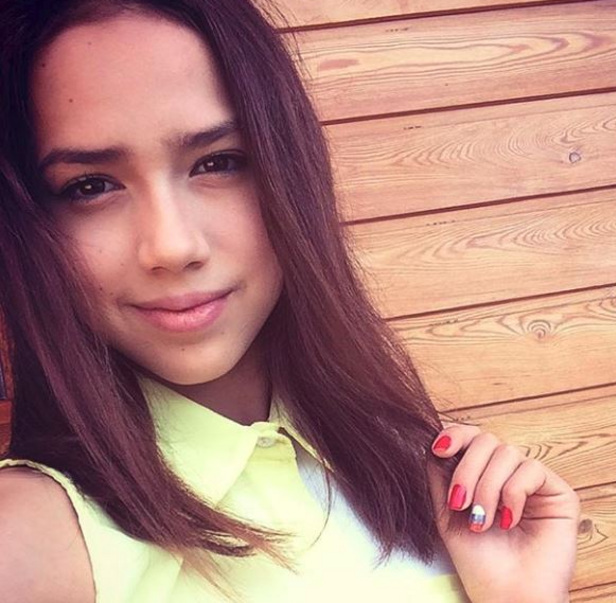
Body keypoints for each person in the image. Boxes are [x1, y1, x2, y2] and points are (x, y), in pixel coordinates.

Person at [0, 1, 581, 602]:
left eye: (218, 162)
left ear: (290, 173)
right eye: (90, 186)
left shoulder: (411, 465)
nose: (172, 246)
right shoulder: (29, 539)